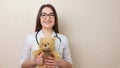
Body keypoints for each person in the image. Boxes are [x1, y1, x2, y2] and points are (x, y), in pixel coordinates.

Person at [20, 4, 72, 68]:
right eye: (44, 15)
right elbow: (22, 65)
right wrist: (34, 61)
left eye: (51, 15)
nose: (48, 18)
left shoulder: (63, 39)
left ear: (55, 19)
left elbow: (70, 65)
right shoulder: (30, 38)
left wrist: (59, 63)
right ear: (39, 18)